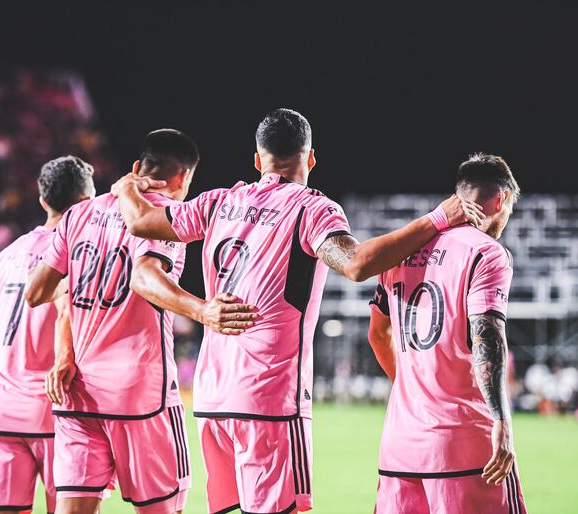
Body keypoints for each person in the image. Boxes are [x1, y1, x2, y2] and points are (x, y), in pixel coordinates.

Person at [111, 108, 484, 514]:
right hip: (269, 400)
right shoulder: (310, 209)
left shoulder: (219, 201)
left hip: (212, 397)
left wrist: (124, 188)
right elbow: (356, 263)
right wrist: (436, 218)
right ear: (311, 158)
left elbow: (142, 221)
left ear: (257, 159)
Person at [26, 129, 255, 514]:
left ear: (137, 168)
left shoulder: (79, 214)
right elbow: (144, 277)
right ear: (183, 178)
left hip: (78, 392)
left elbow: (36, 293)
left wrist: (79, 302)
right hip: (141, 396)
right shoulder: (163, 220)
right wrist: (203, 311)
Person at [368, 153, 527, 513]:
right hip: (464, 446)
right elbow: (487, 335)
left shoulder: (402, 252)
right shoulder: (487, 252)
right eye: (509, 211)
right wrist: (501, 419)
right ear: (500, 200)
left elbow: (377, 335)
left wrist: (412, 385)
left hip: (399, 446)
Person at [0, 156, 95, 514]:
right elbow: (71, 317)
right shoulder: (82, 255)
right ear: (89, 203)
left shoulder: (4, 257)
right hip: (58, 414)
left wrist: (18, 363)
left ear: (43, 202)